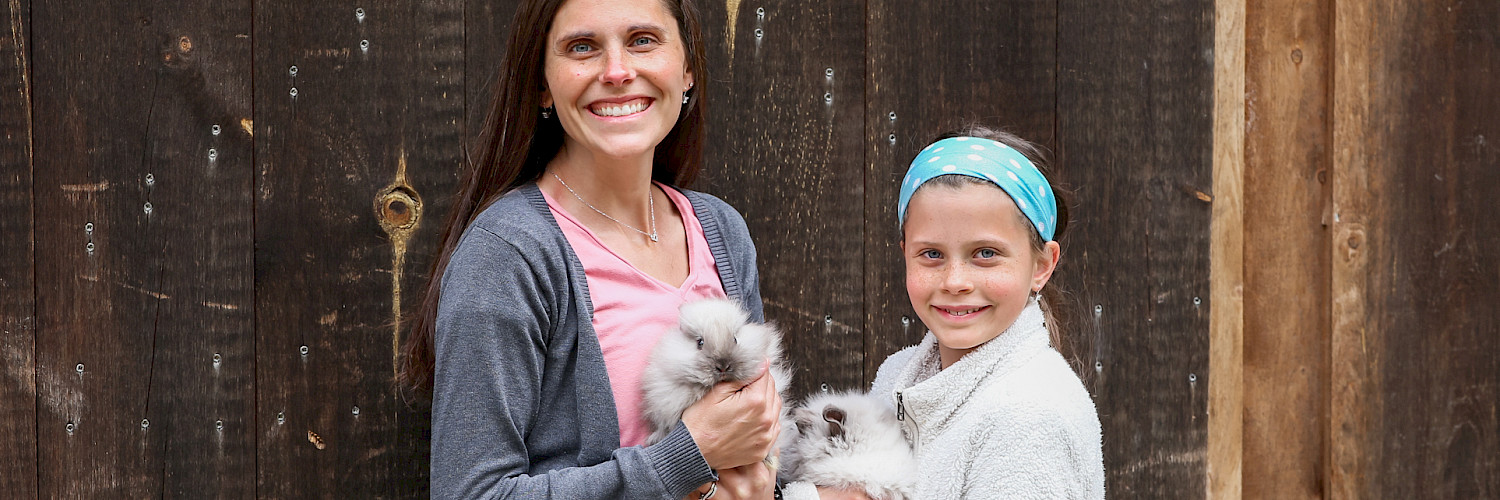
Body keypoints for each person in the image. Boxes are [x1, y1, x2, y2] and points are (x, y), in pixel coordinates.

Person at [399, 0, 782, 498]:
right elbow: (471, 493)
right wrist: (686, 459)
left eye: (643, 40)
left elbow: (753, 440)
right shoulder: (507, 255)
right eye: (582, 47)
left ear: (687, 69)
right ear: (542, 84)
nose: (618, 71)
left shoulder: (721, 232)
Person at [784, 126, 1104, 499]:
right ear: (905, 253)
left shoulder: (1030, 415)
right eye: (932, 254)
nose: (955, 282)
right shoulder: (897, 376)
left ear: (1041, 266)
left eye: (986, 253)